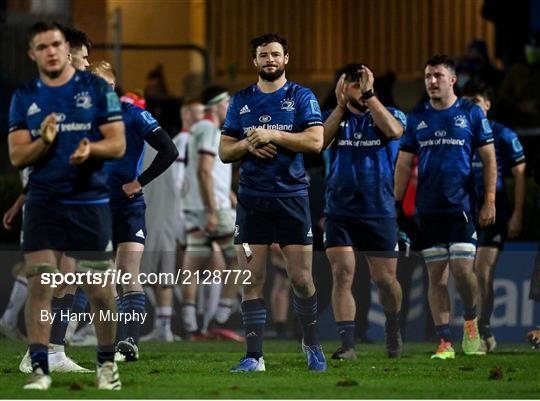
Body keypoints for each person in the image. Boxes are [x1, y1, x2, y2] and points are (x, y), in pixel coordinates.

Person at [8, 21, 126, 390]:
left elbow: (117, 145)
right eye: (43, 47)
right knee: (43, 283)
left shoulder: (97, 91)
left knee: (99, 288)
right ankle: (41, 363)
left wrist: (92, 149)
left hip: (89, 202)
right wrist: (43, 141)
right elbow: (17, 155)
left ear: (65, 49)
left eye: (57, 45)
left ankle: (106, 364)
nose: (52, 52)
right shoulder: (25, 96)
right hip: (45, 202)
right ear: (35, 54)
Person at [220, 33, 326, 372]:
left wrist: (274, 135)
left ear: (286, 58)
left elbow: (315, 141)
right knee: (251, 278)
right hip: (252, 201)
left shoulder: (301, 96)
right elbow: (224, 151)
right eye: (263, 55)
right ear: (254, 61)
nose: (270, 60)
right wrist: (248, 145)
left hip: (292, 198)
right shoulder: (241, 100)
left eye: (275, 54)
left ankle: (311, 342)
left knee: (301, 280)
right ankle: (254, 356)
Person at [394, 54, 497, 360]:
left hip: (462, 207)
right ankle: (444, 342)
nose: (432, 81)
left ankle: (470, 319)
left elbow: (489, 158)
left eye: (438, 75)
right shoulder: (417, 116)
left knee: (464, 271)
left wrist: (489, 199)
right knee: (436, 276)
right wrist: (396, 204)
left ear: (452, 80)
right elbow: (403, 163)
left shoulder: (470, 112)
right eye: (428, 76)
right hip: (428, 210)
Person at [88, 60, 178, 361]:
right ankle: (107, 339)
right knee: (101, 277)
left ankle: (129, 341)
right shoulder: (81, 119)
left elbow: (169, 150)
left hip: (128, 206)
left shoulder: (133, 114)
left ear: (112, 85)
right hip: (95, 208)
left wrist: (140, 182)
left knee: (128, 271)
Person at [322, 63, 406, 360]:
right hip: (339, 211)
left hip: (378, 210)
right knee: (342, 274)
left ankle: (392, 326)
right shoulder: (332, 119)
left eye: (357, 83)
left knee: (385, 281)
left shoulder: (390, 115)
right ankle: (348, 344)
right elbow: (319, 141)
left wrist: (370, 97)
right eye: (347, 83)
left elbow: (396, 132)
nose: (350, 89)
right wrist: (338, 107)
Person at [461, 79, 527, 352]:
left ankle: (482, 328)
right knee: (465, 275)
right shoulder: (459, 134)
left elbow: (520, 174)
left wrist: (517, 215)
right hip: (464, 210)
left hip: (494, 210)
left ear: (487, 105)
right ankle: (476, 328)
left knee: (482, 271)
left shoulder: (503, 135)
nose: (471, 109)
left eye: (475, 103)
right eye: (467, 104)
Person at [180, 85, 237, 337]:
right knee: (244, 255)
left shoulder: (200, 129)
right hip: (212, 207)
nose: (229, 108)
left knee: (194, 261)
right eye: (226, 103)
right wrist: (213, 209)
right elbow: (204, 170)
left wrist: (228, 193)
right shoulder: (208, 129)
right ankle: (223, 311)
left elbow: (207, 171)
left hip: (199, 205)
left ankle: (191, 319)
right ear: (216, 105)